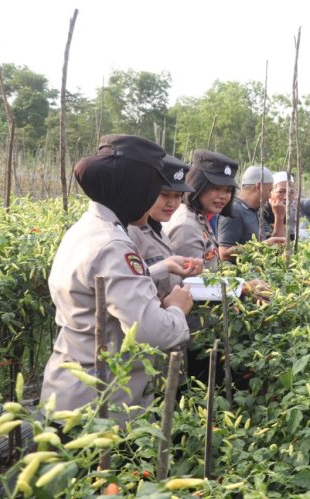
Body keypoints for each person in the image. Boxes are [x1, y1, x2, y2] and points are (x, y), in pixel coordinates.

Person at [41, 135, 193, 420]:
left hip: (67, 387)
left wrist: (162, 268)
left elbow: (103, 287)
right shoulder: (113, 245)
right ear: (134, 191)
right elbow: (153, 332)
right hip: (98, 403)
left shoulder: (87, 228)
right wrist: (177, 308)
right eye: (152, 192)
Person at [128, 155, 204, 298]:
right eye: (164, 195)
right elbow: (127, 286)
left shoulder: (157, 228)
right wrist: (166, 267)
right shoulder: (130, 232)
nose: (172, 203)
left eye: (177, 196)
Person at [165, 150, 239, 271]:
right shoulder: (187, 226)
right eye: (216, 188)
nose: (223, 196)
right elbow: (193, 283)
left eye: (228, 190)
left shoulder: (199, 217)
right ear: (198, 184)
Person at [217, 165, 286, 262]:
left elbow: (276, 245)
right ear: (258, 187)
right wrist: (262, 246)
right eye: (269, 190)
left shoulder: (254, 211)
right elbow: (224, 253)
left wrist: (279, 217)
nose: (270, 195)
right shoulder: (233, 211)